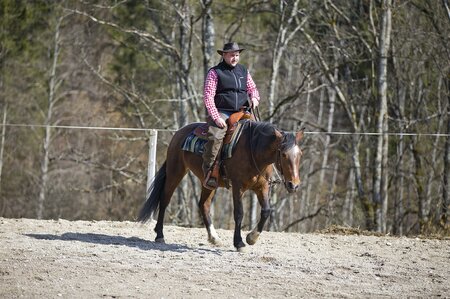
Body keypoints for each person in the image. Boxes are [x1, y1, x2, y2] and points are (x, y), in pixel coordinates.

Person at [202, 42, 260, 190]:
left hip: (242, 111)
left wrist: (254, 97)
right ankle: (209, 172)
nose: (235, 58)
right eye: (232, 55)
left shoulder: (244, 71)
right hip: (222, 111)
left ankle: (258, 169)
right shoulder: (215, 72)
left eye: (237, 55)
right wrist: (216, 117)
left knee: (259, 133)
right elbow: (208, 97)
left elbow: (252, 88)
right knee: (215, 137)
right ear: (224, 55)